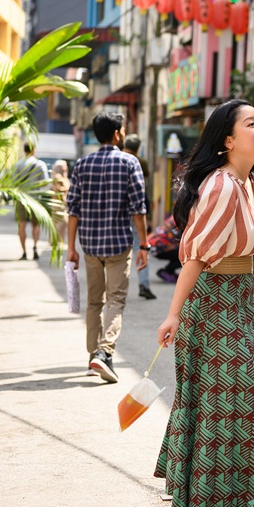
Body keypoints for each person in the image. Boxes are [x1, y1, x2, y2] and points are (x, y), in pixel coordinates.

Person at [154, 99, 254, 507]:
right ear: (227, 141)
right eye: (250, 123)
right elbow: (196, 256)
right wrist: (172, 315)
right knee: (247, 401)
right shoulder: (221, 185)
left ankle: (200, 502)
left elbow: (246, 235)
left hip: (234, 302)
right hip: (213, 303)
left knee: (218, 403)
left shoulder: (246, 184)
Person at [66, 111, 148, 383]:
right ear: (116, 133)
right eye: (123, 129)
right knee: (115, 299)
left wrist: (71, 247)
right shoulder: (129, 162)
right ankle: (104, 352)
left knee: (93, 302)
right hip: (117, 245)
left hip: (89, 244)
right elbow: (138, 208)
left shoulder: (82, 164)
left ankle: (93, 356)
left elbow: (73, 209)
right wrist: (144, 244)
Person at [123, 134, 156, 300]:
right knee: (141, 247)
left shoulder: (118, 159)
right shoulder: (140, 162)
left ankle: (114, 286)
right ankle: (144, 284)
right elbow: (145, 186)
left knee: (119, 251)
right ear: (137, 148)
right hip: (137, 210)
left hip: (119, 212)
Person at [13, 142, 49, 260]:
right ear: (34, 150)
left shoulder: (18, 164)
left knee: (22, 225)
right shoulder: (40, 164)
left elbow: (13, 183)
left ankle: (24, 252)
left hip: (21, 197)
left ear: (24, 150)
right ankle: (35, 247)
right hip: (35, 198)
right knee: (35, 225)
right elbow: (44, 182)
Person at [148, 215, 182, 283]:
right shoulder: (184, 221)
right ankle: (167, 271)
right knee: (186, 253)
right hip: (158, 247)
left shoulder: (176, 216)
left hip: (152, 246)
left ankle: (169, 271)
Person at [50, 160, 71, 245]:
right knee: (61, 222)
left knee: (58, 223)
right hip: (58, 203)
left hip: (61, 203)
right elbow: (57, 188)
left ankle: (58, 240)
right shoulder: (57, 176)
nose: (66, 168)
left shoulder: (63, 176)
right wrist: (66, 189)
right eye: (64, 166)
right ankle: (56, 240)